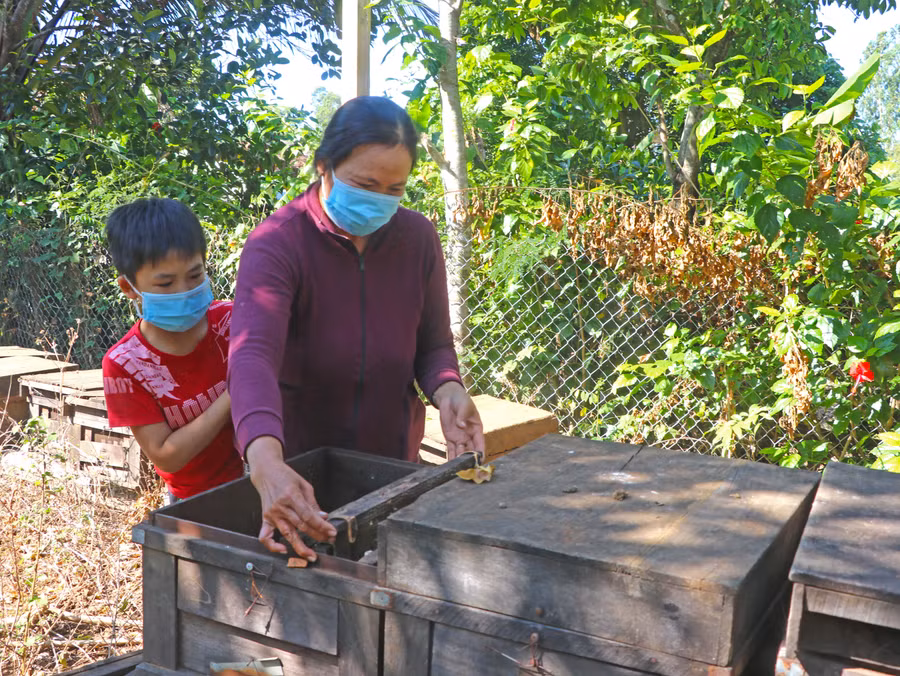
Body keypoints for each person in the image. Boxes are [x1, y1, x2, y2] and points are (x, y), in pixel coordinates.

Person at [228, 96, 484, 560]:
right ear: (324, 165)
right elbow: (251, 357)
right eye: (365, 184)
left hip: (391, 469)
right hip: (299, 476)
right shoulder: (278, 243)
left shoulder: (417, 238)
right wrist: (265, 462)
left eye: (395, 189)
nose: (379, 200)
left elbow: (433, 346)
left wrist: (448, 391)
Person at [101, 198, 244, 501]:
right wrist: (236, 391)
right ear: (129, 288)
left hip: (263, 477)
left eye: (194, 276)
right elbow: (166, 455)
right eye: (165, 283)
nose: (184, 291)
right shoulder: (125, 365)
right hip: (197, 503)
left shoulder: (234, 320)